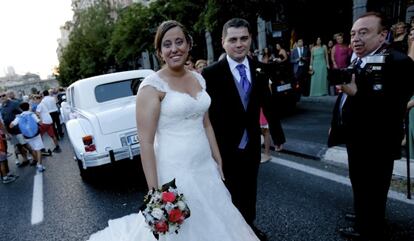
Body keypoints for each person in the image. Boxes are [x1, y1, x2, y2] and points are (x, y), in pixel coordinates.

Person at [87, 20, 260, 241]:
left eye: (179, 42)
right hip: (175, 173)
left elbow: (206, 123)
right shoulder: (151, 87)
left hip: (205, 166)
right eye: (167, 44)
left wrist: (217, 158)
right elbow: (146, 142)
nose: (174, 48)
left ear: (188, 44)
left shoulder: (198, 78)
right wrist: (155, 194)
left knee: (217, 223)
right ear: (160, 52)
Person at [202, 18, 286, 241]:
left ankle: (248, 228)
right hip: (224, 148)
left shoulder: (259, 68)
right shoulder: (210, 74)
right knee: (229, 194)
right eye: (233, 40)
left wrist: (277, 134)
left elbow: (268, 103)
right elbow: (204, 115)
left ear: (250, 39)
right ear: (223, 42)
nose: (239, 44)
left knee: (250, 192)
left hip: (251, 146)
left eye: (244, 39)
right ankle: (231, 233)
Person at [336, 12, 414, 240]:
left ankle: (369, 228)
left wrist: (359, 95)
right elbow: (345, 97)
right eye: (353, 34)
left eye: (363, 32)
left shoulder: (398, 62)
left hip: (377, 139)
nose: (356, 39)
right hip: (355, 135)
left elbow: (394, 106)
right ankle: (364, 215)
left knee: (373, 185)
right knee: (360, 181)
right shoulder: (358, 58)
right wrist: (338, 122)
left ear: (382, 35)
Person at [10, 102, 46, 173]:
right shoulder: (32, 114)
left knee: (33, 149)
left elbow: (11, 125)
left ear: (21, 108)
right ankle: (40, 165)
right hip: (36, 134)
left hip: (27, 136)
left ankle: (37, 162)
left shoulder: (19, 117)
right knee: (38, 149)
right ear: (28, 107)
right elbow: (40, 123)